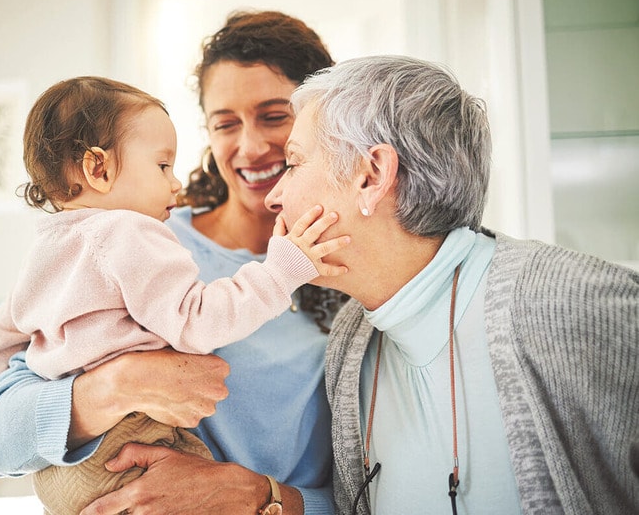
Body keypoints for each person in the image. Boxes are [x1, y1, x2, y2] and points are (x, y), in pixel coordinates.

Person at [0, 10, 347, 515]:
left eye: (275, 116)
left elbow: (374, 490)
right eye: (225, 123)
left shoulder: (354, 273)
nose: (251, 146)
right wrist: (113, 386)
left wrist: (267, 499)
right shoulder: (141, 240)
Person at [263, 55, 639, 514]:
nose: (273, 196)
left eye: (293, 163)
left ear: (372, 176)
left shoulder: (569, 303)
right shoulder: (351, 340)